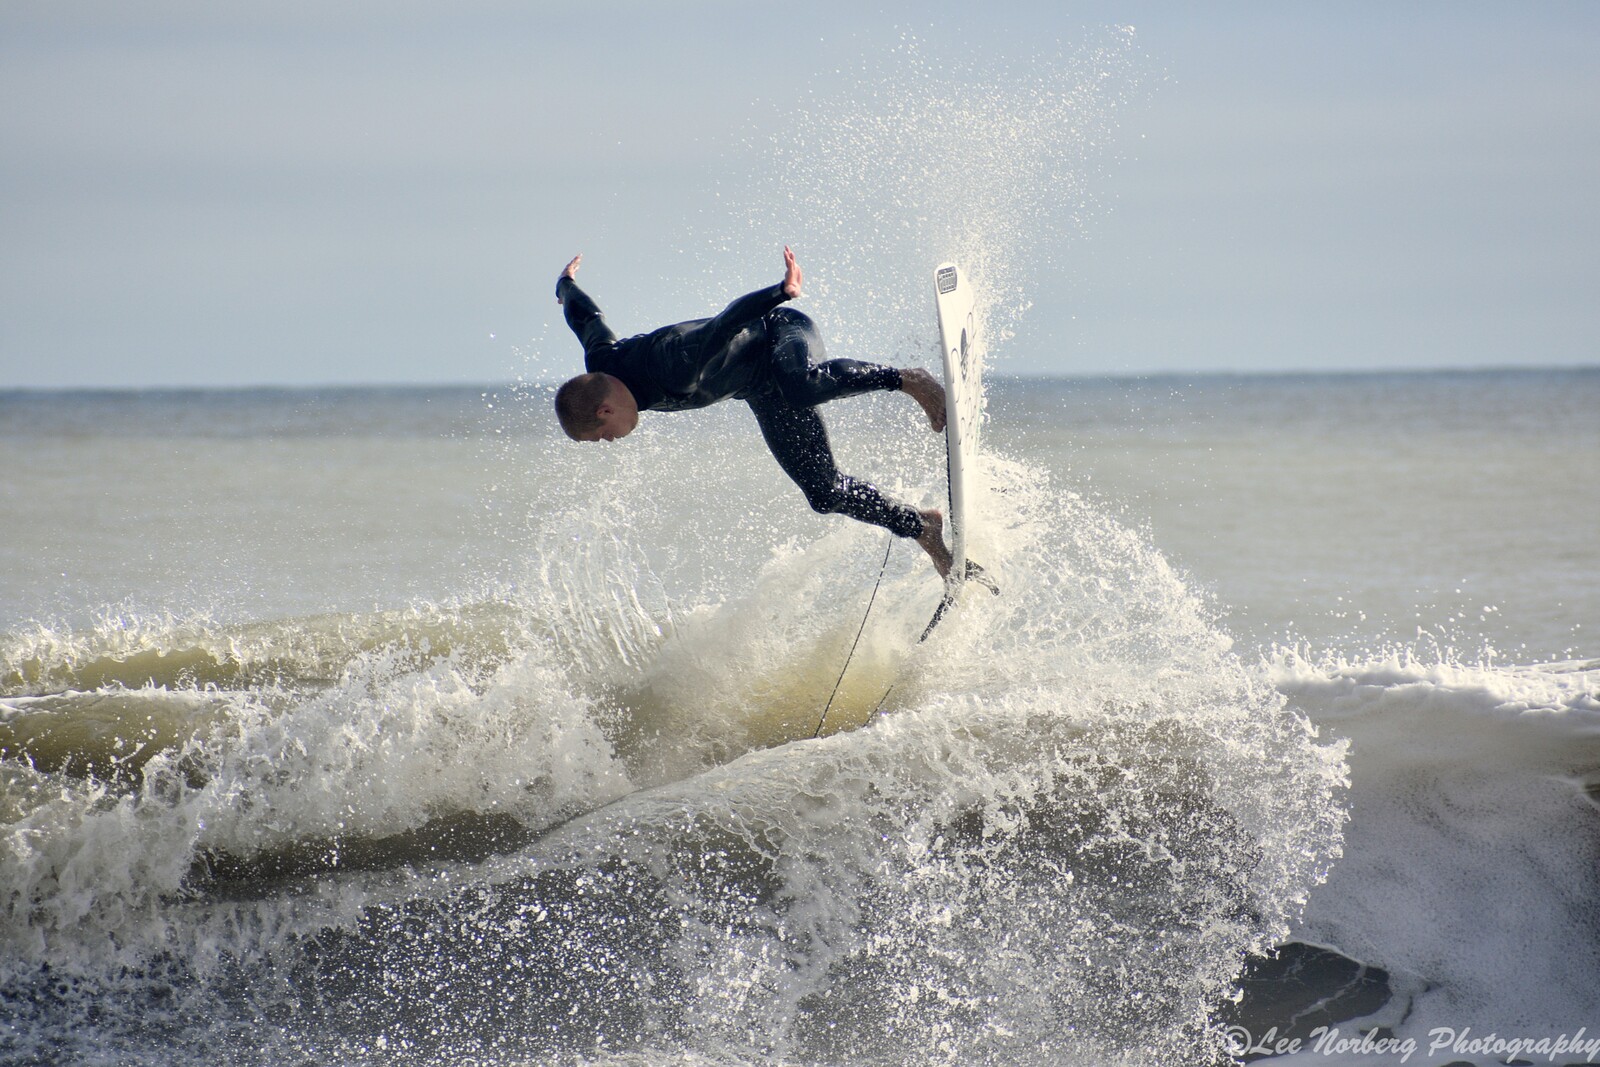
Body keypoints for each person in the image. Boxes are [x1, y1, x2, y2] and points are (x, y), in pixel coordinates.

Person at [553, 246, 955, 578]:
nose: (608, 442)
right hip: (761, 387)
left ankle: (908, 380)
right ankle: (921, 527)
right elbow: (586, 318)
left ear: (605, 410)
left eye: (601, 436)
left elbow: (724, 324)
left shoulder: (675, 363)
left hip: (779, 332)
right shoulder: (602, 361)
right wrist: (565, 284)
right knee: (824, 492)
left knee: (801, 385)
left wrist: (780, 292)